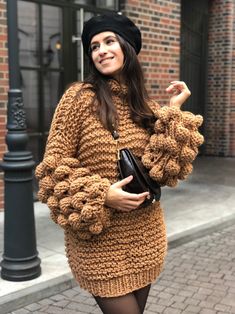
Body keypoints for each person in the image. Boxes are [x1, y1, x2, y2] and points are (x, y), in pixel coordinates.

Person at [35, 12, 203, 314]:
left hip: (145, 236)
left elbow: (165, 169)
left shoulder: (144, 105)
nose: (101, 50)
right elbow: (52, 168)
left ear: (127, 47)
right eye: (94, 46)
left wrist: (173, 112)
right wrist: (103, 195)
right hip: (99, 242)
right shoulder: (79, 99)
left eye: (109, 41)